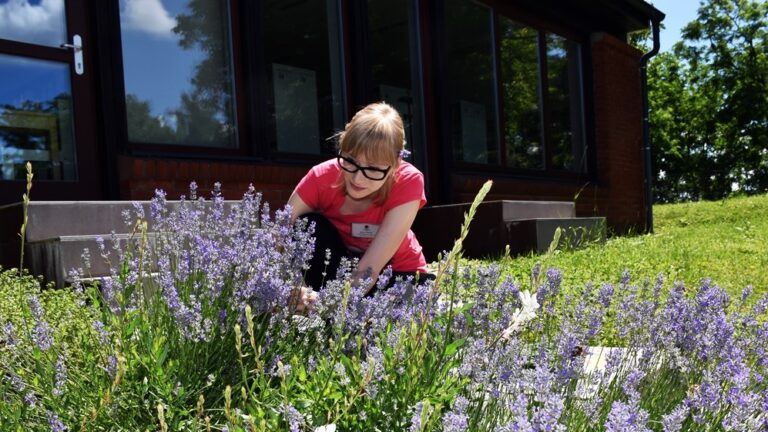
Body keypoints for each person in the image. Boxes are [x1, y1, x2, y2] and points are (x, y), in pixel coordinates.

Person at [287, 102, 434, 301]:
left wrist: (324, 302)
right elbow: (279, 233)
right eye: (350, 161)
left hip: (397, 275)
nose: (357, 179)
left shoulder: (409, 180)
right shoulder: (321, 176)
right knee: (307, 225)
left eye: (373, 169)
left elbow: (369, 271)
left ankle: (332, 311)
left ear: (395, 165)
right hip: (339, 270)